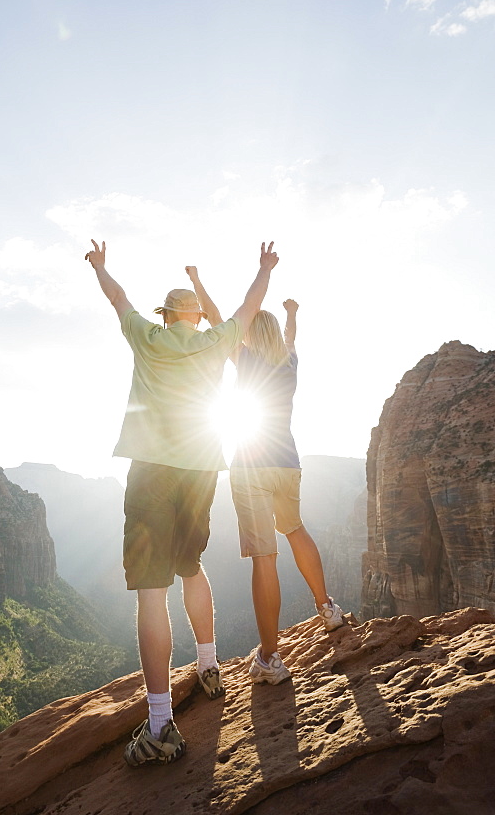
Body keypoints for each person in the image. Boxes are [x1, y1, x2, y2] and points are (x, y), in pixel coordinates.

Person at [85, 239, 278, 766]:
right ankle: (210, 665)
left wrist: (101, 266)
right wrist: (264, 268)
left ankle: (160, 724)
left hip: (151, 471)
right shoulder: (215, 341)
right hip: (200, 471)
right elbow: (249, 306)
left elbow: (117, 297)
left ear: (166, 315)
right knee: (191, 564)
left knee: (152, 592)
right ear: (194, 314)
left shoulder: (148, 337)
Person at [186, 270, 345, 686]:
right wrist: (292, 312)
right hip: (288, 463)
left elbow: (223, 319)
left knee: (264, 557)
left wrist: (198, 283)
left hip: (252, 467)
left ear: (252, 334)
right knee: (295, 529)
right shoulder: (290, 361)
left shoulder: (247, 358)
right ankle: (328, 608)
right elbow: (291, 336)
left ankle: (270, 658)